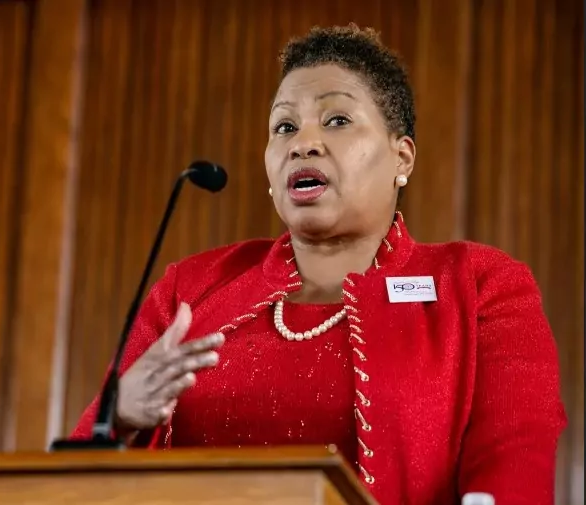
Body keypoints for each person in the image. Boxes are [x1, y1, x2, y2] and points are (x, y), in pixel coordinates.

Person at [71, 24, 566, 505]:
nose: (302, 143)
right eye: (284, 127)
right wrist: (120, 417)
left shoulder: (479, 285)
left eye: (337, 120)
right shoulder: (191, 289)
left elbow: (514, 462)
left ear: (402, 158)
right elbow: (72, 476)